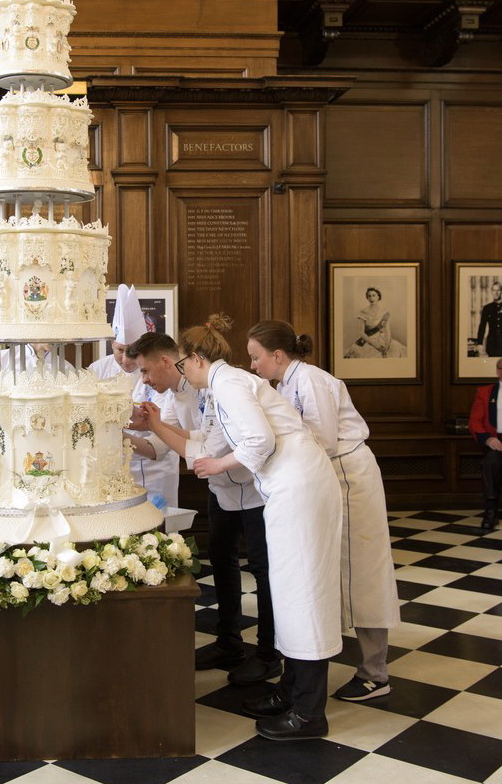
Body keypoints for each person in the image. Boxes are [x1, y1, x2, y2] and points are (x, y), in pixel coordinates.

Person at [177, 314, 342, 741]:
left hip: (298, 483)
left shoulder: (228, 383)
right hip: (289, 482)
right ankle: (291, 691)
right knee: (289, 590)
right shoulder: (223, 384)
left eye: (180, 365)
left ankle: (308, 713)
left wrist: (218, 464)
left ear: (195, 359)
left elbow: (259, 442)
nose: (181, 373)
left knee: (302, 591)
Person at [247, 320, 400, 703]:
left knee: (363, 571)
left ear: (277, 355)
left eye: (255, 357)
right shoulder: (289, 382)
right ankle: (330, 658)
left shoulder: (310, 379)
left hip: (348, 475)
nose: (253, 366)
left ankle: (374, 673)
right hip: (330, 475)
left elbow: (323, 439)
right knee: (332, 570)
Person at [132, 333, 279, 680]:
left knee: (262, 568)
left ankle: (269, 650)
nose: (145, 380)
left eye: (146, 371)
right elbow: (163, 446)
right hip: (221, 488)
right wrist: (128, 430)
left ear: (178, 362)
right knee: (222, 560)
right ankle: (230, 640)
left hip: (255, 487)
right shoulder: (175, 395)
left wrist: (157, 426)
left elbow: (208, 447)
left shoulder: (222, 386)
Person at [89, 286, 179, 508]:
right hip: (112, 467)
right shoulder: (97, 370)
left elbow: (163, 434)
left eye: (132, 351)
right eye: (120, 350)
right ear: (111, 343)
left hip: (156, 469)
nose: (126, 358)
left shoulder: (159, 373)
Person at [469, 357, 502, 532]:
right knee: (491, 463)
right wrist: (489, 439)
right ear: (498, 371)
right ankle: (490, 512)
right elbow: (475, 422)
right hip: (496, 441)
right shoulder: (485, 392)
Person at [344, 287, 407, 359]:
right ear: (367, 298)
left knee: (396, 350)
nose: (371, 298)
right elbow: (361, 333)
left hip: (384, 339)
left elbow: (387, 331)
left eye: (374, 295)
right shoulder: (363, 312)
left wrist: (387, 346)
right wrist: (375, 345)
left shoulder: (385, 312)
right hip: (369, 341)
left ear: (378, 297)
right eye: (369, 296)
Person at [475, 281, 502, 358]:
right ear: (491, 292)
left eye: (498, 290)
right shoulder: (487, 308)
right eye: (494, 290)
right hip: (492, 344)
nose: (496, 293)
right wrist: (479, 343)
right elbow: (482, 326)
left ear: (501, 291)